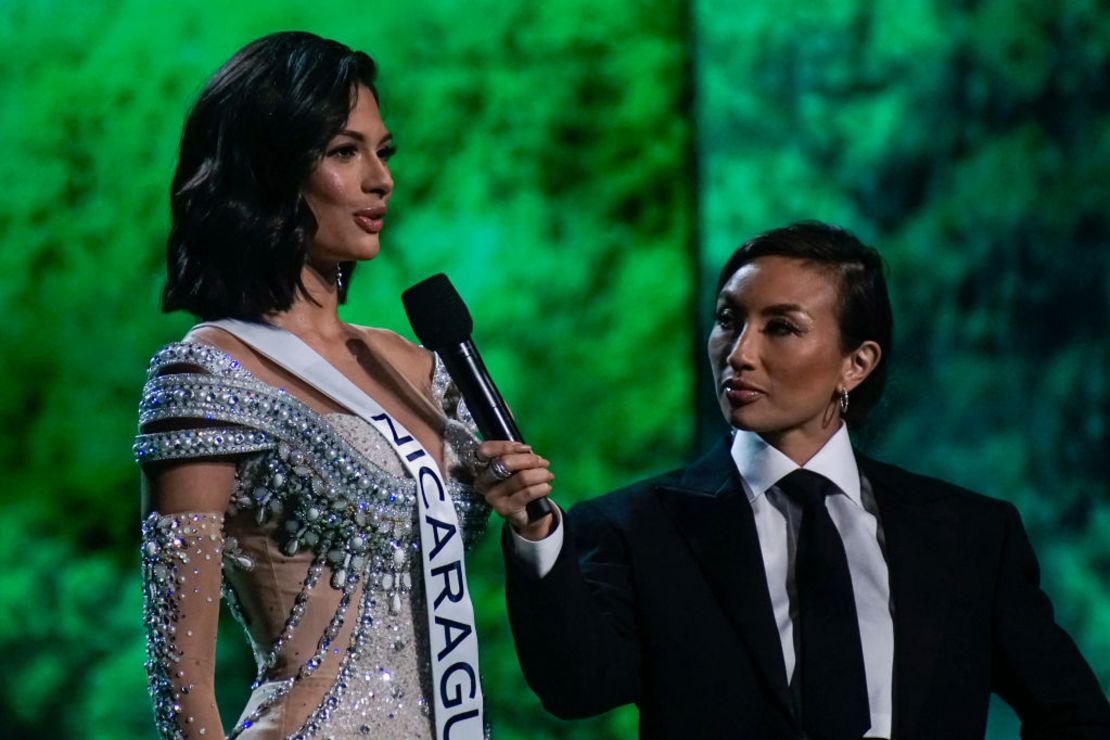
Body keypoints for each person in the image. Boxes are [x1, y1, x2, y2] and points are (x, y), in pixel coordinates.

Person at [477, 221, 1110, 739]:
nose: (740, 352)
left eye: (781, 327)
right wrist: (537, 535)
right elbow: (578, 686)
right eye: (728, 319)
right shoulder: (636, 526)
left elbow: (1075, 715)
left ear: (855, 364)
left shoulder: (970, 535)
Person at [136, 32, 488, 739]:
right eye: (343, 151)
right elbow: (181, 686)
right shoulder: (210, 372)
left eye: (382, 151)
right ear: (272, 168)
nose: (380, 180)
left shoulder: (418, 365)